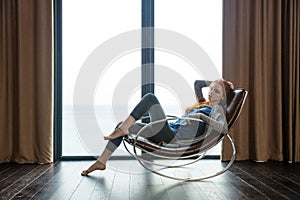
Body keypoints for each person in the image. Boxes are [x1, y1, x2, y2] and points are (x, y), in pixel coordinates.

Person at [81, 79, 234, 176]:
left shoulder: (217, 110)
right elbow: (198, 83)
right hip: (168, 129)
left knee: (150, 98)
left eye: (217, 91)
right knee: (122, 125)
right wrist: (219, 83)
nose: (211, 92)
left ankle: (122, 130)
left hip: (172, 137)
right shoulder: (202, 103)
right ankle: (102, 162)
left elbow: (224, 129)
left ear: (223, 97)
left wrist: (200, 116)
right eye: (211, 89)